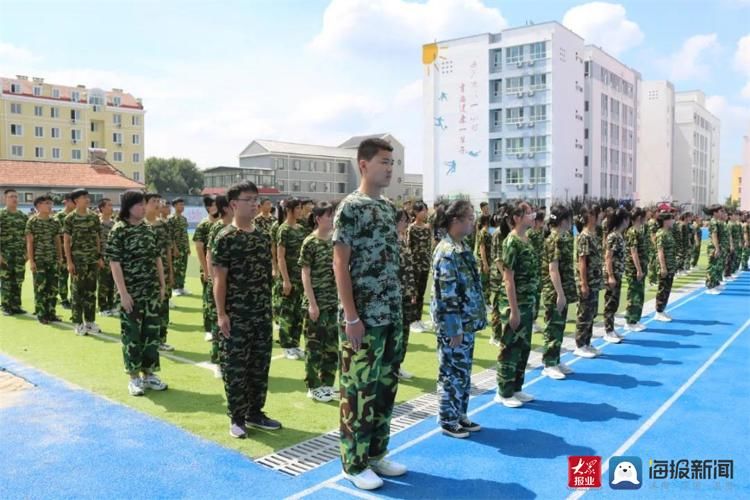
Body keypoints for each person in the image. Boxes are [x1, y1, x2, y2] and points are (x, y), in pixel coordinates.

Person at [333, 138, 406, 490]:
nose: (389, 168)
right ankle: (353, 462)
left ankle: (376, 453)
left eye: (392, 162)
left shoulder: (388, 208)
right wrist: (351, 317)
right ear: (363, 165)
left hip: (390, 314)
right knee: (358, 391)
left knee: (384, 389)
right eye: (383, 162)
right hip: (363, 318)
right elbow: (340, 264)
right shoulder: (351, 207)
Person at [213, 181, 281, 439]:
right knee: (236, 367)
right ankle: (237, 417)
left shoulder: (262, 235)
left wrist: (269, 310)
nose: (254, 203)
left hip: (261, 313)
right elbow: (219, 279)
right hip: (237, 315)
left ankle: (255, 412)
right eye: (249, 199)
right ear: (233, 204)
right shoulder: (225, 237)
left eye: (256, 199)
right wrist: (221, 314)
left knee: (259, 365)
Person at [430, 199, 486, 438]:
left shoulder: (461, 248)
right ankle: (447, 418)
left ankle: (460, 413)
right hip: (454, 326)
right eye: (469, 219)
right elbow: (447, 295)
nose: (473, 223)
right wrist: (454, 328)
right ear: (456, 221)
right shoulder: (447, 253)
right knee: (451, 372)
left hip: (465, 323)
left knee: (462, 372)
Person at [106, 190, 168, 397]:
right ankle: (134, 378)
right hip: (131, 293)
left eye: (144, 204)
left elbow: (157, 257)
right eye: (139, 205)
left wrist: (162, 285)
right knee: (132, 335)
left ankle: (149, 374)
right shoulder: (119, 230)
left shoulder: (148, 229)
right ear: (128, 207)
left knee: (151, 334)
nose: (143, 208)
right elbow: (115, 263)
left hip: (150, 291)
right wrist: (123, 293)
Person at [493, 201, 538, 408]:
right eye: (528, 213)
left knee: (523, 347)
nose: (532, 215)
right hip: (515, 303)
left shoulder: (526, 239)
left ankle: (516, 387)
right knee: (510, 347)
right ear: (516, 218)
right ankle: (503, 391)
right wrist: (513, 310)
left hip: (528, 302)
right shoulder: (511, 242)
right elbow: (508, 279)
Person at [299, 201, 339, 402]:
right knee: (315, 347)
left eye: (333, 216)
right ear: (318, 219)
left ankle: (327, 384)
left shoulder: (335, 241)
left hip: (333, 302)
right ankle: (313, 386)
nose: (332, 219)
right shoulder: (310, 242)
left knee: (332, 347)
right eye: (328, 216)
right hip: (316, 303)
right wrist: (312, 303)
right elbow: (305, 274)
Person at [541, 205, 577, 380]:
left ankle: (555, 359)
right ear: (563, 221)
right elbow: (553, 269)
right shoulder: (554, 239)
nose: (572, 223)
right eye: (569, 219)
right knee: (552, 327)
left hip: (561, 289)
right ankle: (549, 363)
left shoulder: (564, 237)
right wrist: (560, 294)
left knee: (559, 326)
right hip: (554, 291)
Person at [64, 188, 103, 335]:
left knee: (91, 292)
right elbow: (66, 241)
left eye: (87, 197)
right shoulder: (70, 219)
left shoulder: (93, 217)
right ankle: (78, 323)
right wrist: (69, 262)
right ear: (76, 201)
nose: (87, 199)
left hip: (92, 260)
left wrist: (99, 256)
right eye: (83, 197)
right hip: (78, 261)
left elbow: (98, 237)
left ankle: (90, 322)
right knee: (77, 292)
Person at [206, 195, 234, 378]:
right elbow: (209, 254)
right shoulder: (217, 227)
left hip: (235, 284)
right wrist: (212, 278)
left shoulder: (238, 227)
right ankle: (217, 361)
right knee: (220, 323)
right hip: (220, 280)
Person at [277, 197, 307, 360]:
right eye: (298, 208)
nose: (301, 211)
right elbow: (280, 256)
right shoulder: (284, 229)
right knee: (287, 312)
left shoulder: (301, 229)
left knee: (298, 313)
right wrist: (285, 280)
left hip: (300, 278)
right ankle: (287, 346)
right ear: (289, 210)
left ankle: (295, 343)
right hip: (289, 277)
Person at [144, 194, 174, 351]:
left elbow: (168, 249)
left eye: (158, 201)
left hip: (163, 272)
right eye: (153, 201)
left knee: (163, 307)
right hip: (145, 274)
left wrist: (171, 271)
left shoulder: (163, 225)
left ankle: (161, 339)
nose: (156, 204)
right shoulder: (139, 225)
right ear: (145, 204)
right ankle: (149, 340)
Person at [25, 195, 62, 324]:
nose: (50, 205)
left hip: (52, 259)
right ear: (38, 206)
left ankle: (51, 312)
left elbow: (57, 240)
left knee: (52, 288)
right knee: (40, 287)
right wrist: (32, 260)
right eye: (46, 203)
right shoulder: (32, 222)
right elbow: (30, 242)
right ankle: (41, 314)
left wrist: (60, 256)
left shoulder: (55, 222)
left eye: (50, 203)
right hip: (39, 259)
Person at [573, 205, 604, 359]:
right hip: (588, 281)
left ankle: (587, 341)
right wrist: (584, 283)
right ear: (590, 216)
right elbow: (582, 261)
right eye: (597, 214)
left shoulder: (593, 235)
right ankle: (580, 344)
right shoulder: (584, 236)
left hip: (595, 281)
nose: (600, 217)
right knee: (584, 313)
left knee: (592, 313)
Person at [602, 207, 630, 344]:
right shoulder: (613, 236)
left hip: (618, 273)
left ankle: (611, 328)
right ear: (623, 220)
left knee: (615, 303)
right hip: (613, 274)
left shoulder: (619, 235)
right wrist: (610, 275)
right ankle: (608, 330)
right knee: (610, 303)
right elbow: (608, 257)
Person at [396, 209, 418, 380]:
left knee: (404, 330)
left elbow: (409, 269)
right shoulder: (390, 243)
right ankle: (392, 365)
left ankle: (398, 364)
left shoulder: (403, 241)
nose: (406, 223)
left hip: (406, 293)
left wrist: (412, 290)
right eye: (403, 220)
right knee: (396, 332)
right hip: (395, 295)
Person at [193, 195, 218, 341]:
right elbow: (199, 248)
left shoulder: (222, 223)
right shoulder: (204, 225)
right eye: (215, 205)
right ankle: (208, 328)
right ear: (209, 207)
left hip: (220, 269)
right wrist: (205, 270)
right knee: (208, 298)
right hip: (208, 268)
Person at [0, 189, 28, 316]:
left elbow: (27, 236)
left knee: (18, 280)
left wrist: (27, 252)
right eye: (11, 197)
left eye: (16, 196)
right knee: (6, 280)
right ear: (5, 199)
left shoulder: (22, 216)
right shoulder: (2, 215)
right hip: (5, 254)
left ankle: (16, 305)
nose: (14, 199)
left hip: (19, 254)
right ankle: (5, 305)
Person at [406, 201, 432, 333]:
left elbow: (429, 247)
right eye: (423, 210)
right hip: (414, 265)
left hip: (425, 264)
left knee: (421, 292)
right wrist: (409, 265)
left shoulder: (428, 228)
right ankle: (412, 320)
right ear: (416, 212)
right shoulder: (411, 228)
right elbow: (408, 247)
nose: (425, 213)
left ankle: (418, 318)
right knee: (413, 293)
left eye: (426, 210)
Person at [624, 207, 647, 331]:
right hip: (634, 268)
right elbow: (633, 251)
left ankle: (635, 319)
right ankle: (630, 321)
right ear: (639, 218)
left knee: (639, 294)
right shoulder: (633, 231)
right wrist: (638, 269)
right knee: (634, 294)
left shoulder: (640, 230)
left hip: (641, 267)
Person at [654, 211, 677, 321]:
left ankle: (662, 309)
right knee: (663, 288)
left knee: (667, 288)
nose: (672, 221)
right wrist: (663, 267)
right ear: (665, 221)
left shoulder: (668, 232)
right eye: (670, 219)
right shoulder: (661, 233)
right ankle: (658, 311)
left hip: (671, 265)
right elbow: (660, 251)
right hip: (665, 266)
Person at [54, 193, 75, 309]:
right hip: (62, 251)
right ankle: (64, 298)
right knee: (63, 276)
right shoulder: (59, 217)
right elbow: (57, 235)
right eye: (73, 201)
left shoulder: (76, 216)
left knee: (74, 276)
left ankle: (74, 297)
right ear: (66, 202)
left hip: (75, 251)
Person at [97, 198, 117, 317]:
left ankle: (111, 304)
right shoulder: (97, 224)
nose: (111, 207)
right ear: (102, 208)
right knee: (103, 283)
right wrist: (98, 257)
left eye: (111, 205)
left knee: (112, 282)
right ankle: (102, 307)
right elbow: (95, 242)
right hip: (102, 257)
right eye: (109, 205)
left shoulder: (114, 224)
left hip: (113, 258)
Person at [526, 210, 545, 333]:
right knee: (531, 296)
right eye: (542, 220)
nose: (543, 223)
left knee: (537, 295)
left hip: (540, 268)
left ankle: (534, 320)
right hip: (532, 269)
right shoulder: (530, 234)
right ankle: (530, 321)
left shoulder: (540, 233)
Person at [169, 197, 190, 296]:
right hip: (176, 248)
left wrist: (188, 247)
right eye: (180, 204)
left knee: (183, 268)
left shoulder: (184, 219)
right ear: (174, 206)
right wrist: (175, 248)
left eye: (183, 204)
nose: (182, 206)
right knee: (176, 268)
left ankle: (181, 287)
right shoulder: (171, 219)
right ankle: (175, 288)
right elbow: (170, 235)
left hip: (184, 248)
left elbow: (185, 234)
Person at [704, 205, 724, 295]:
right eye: (720, 211)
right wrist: (716, 248)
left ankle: (715, 284)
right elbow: (714, 235)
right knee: (712, 267)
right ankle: (709, 286)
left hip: (717, 246)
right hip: (713, 247)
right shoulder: (713, 222)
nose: (721, 213)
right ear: (715, 212)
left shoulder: (716, 221)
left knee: (716, 266)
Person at [475, 214, 492, 305]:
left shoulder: (487, 232)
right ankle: (483, 301)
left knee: (487, 282)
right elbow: (482, 248)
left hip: (488, 260)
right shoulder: (483, 233)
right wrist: (485, 263)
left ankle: (486, 301)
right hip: (483, 261)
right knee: (483, 281)